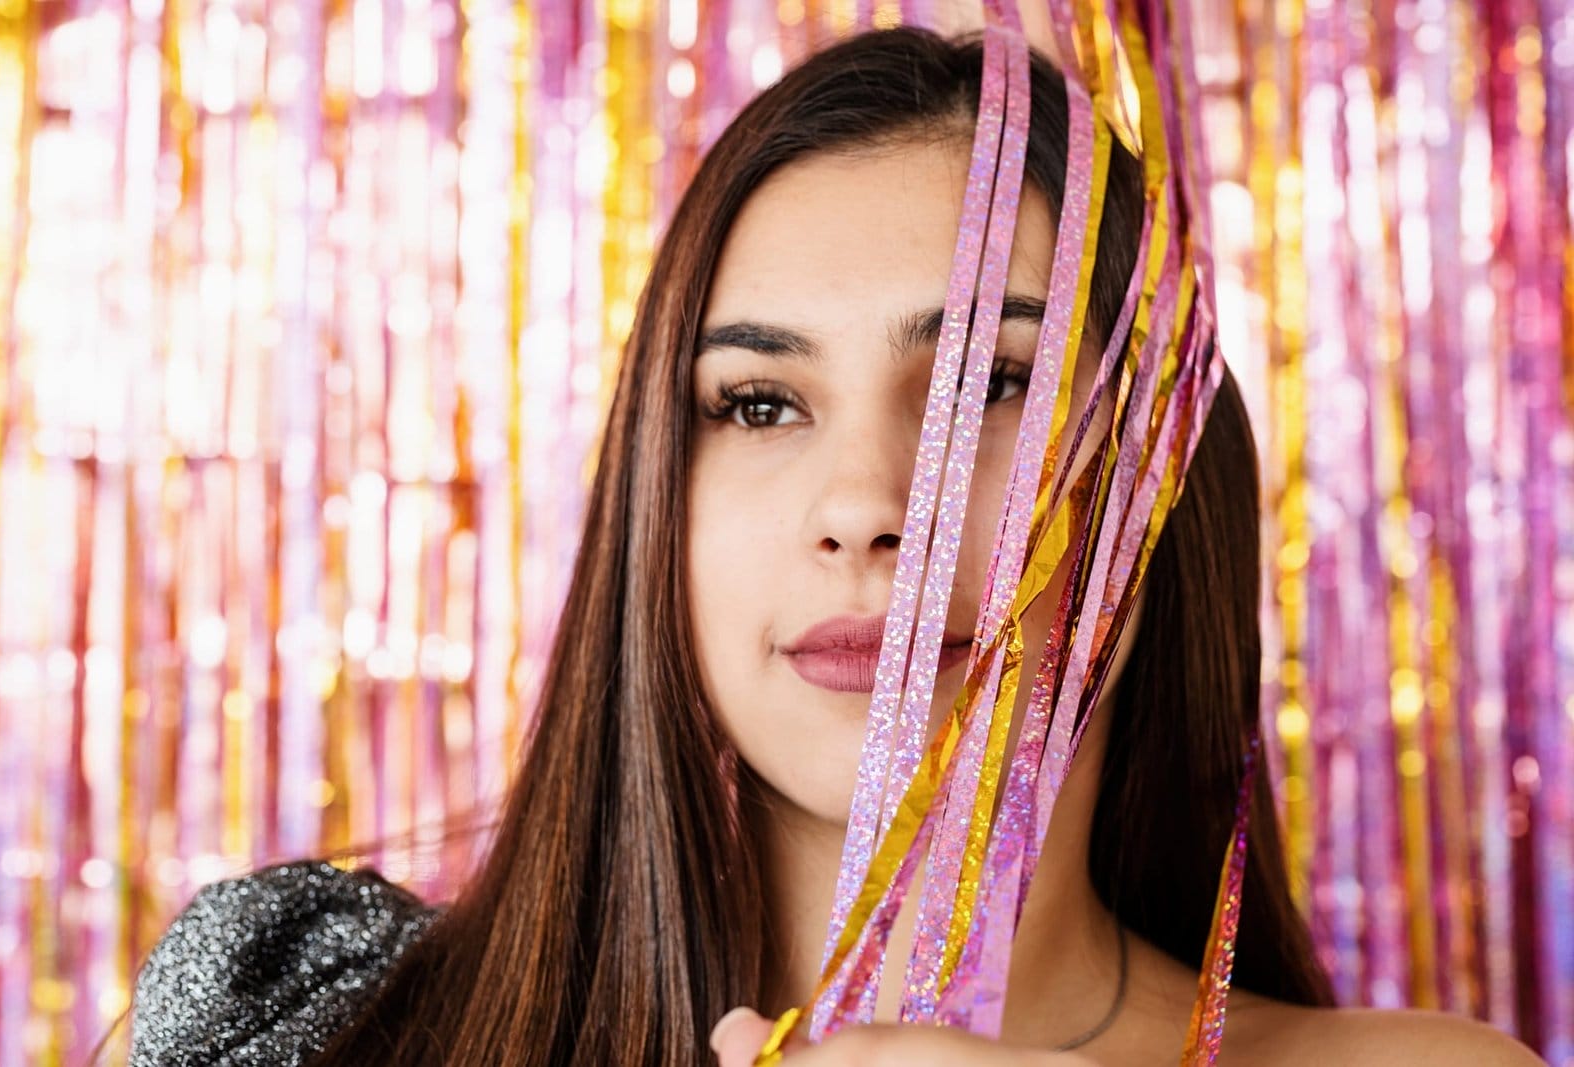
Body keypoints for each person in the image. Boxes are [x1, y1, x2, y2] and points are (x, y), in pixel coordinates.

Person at [125, 26, 1543, 1067]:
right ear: (655, 511)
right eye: (757, 403)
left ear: (1161, 478)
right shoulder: (277, 1014)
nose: (870, 506)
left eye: (993, 384)